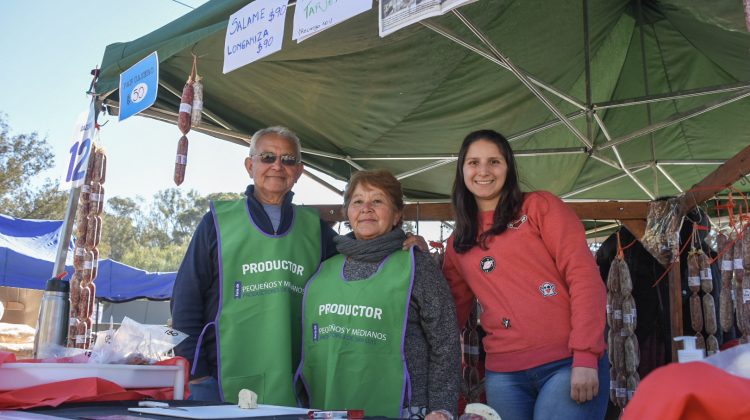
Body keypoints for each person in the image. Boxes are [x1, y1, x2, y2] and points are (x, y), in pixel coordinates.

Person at [172, 127, 425, 404]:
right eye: (267, 157)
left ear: (299, 171)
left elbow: (363, 251)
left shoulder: (315, 228)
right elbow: (185, 299)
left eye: (288, 159)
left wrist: (403, 242)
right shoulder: (217, 223)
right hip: (218, 375)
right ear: (250, 165)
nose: (277, 166)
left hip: (294, 378)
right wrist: (193, 369)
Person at [442, 130, 608, 420]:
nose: (483, 171)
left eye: (494, 161)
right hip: (503, 375)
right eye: (473, 162)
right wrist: (410, 252)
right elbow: (445, 313)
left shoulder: (539, 207)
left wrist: (585, 355)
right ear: (462, 170)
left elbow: (584, 278)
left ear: (508, 167)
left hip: (567, 362)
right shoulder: (457, 243)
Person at [296, 169, 461, 419]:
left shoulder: (417, 265)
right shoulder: (323, 268)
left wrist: (441, 408)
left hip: (404, 409)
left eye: (378, 201)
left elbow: (445, 341)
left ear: (396, 215)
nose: (366, 208)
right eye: (358, 201)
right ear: (347, 212)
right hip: (332, 408)